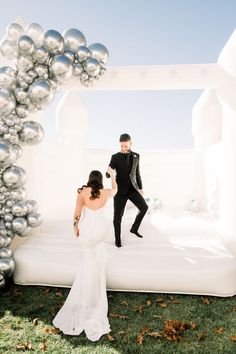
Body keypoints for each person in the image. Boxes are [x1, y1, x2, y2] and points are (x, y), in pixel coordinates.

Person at [52, 167, 117, 341]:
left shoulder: (82, 193)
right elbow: (116, 190)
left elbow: (77, 214)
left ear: (89, 180)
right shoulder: (105, 192)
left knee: (89, 261)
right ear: (100, 180)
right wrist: (113, 176)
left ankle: (87, 298)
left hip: (88, 232)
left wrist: (75, 228)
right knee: (97, 259)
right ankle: (96, 293)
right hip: (102, 231)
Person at [107, 133, 148, 247]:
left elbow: (137, 173)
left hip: (132, 189)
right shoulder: (115, 157)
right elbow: (110, 169)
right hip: (120, 191)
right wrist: (108, 173)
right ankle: (117, 240)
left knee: (144, 207)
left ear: (130, 143)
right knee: (117, 216)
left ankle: (134, 229)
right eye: (121, 146)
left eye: (125, 146)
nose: (123, 148)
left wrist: (140, 187)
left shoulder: (136, 156)